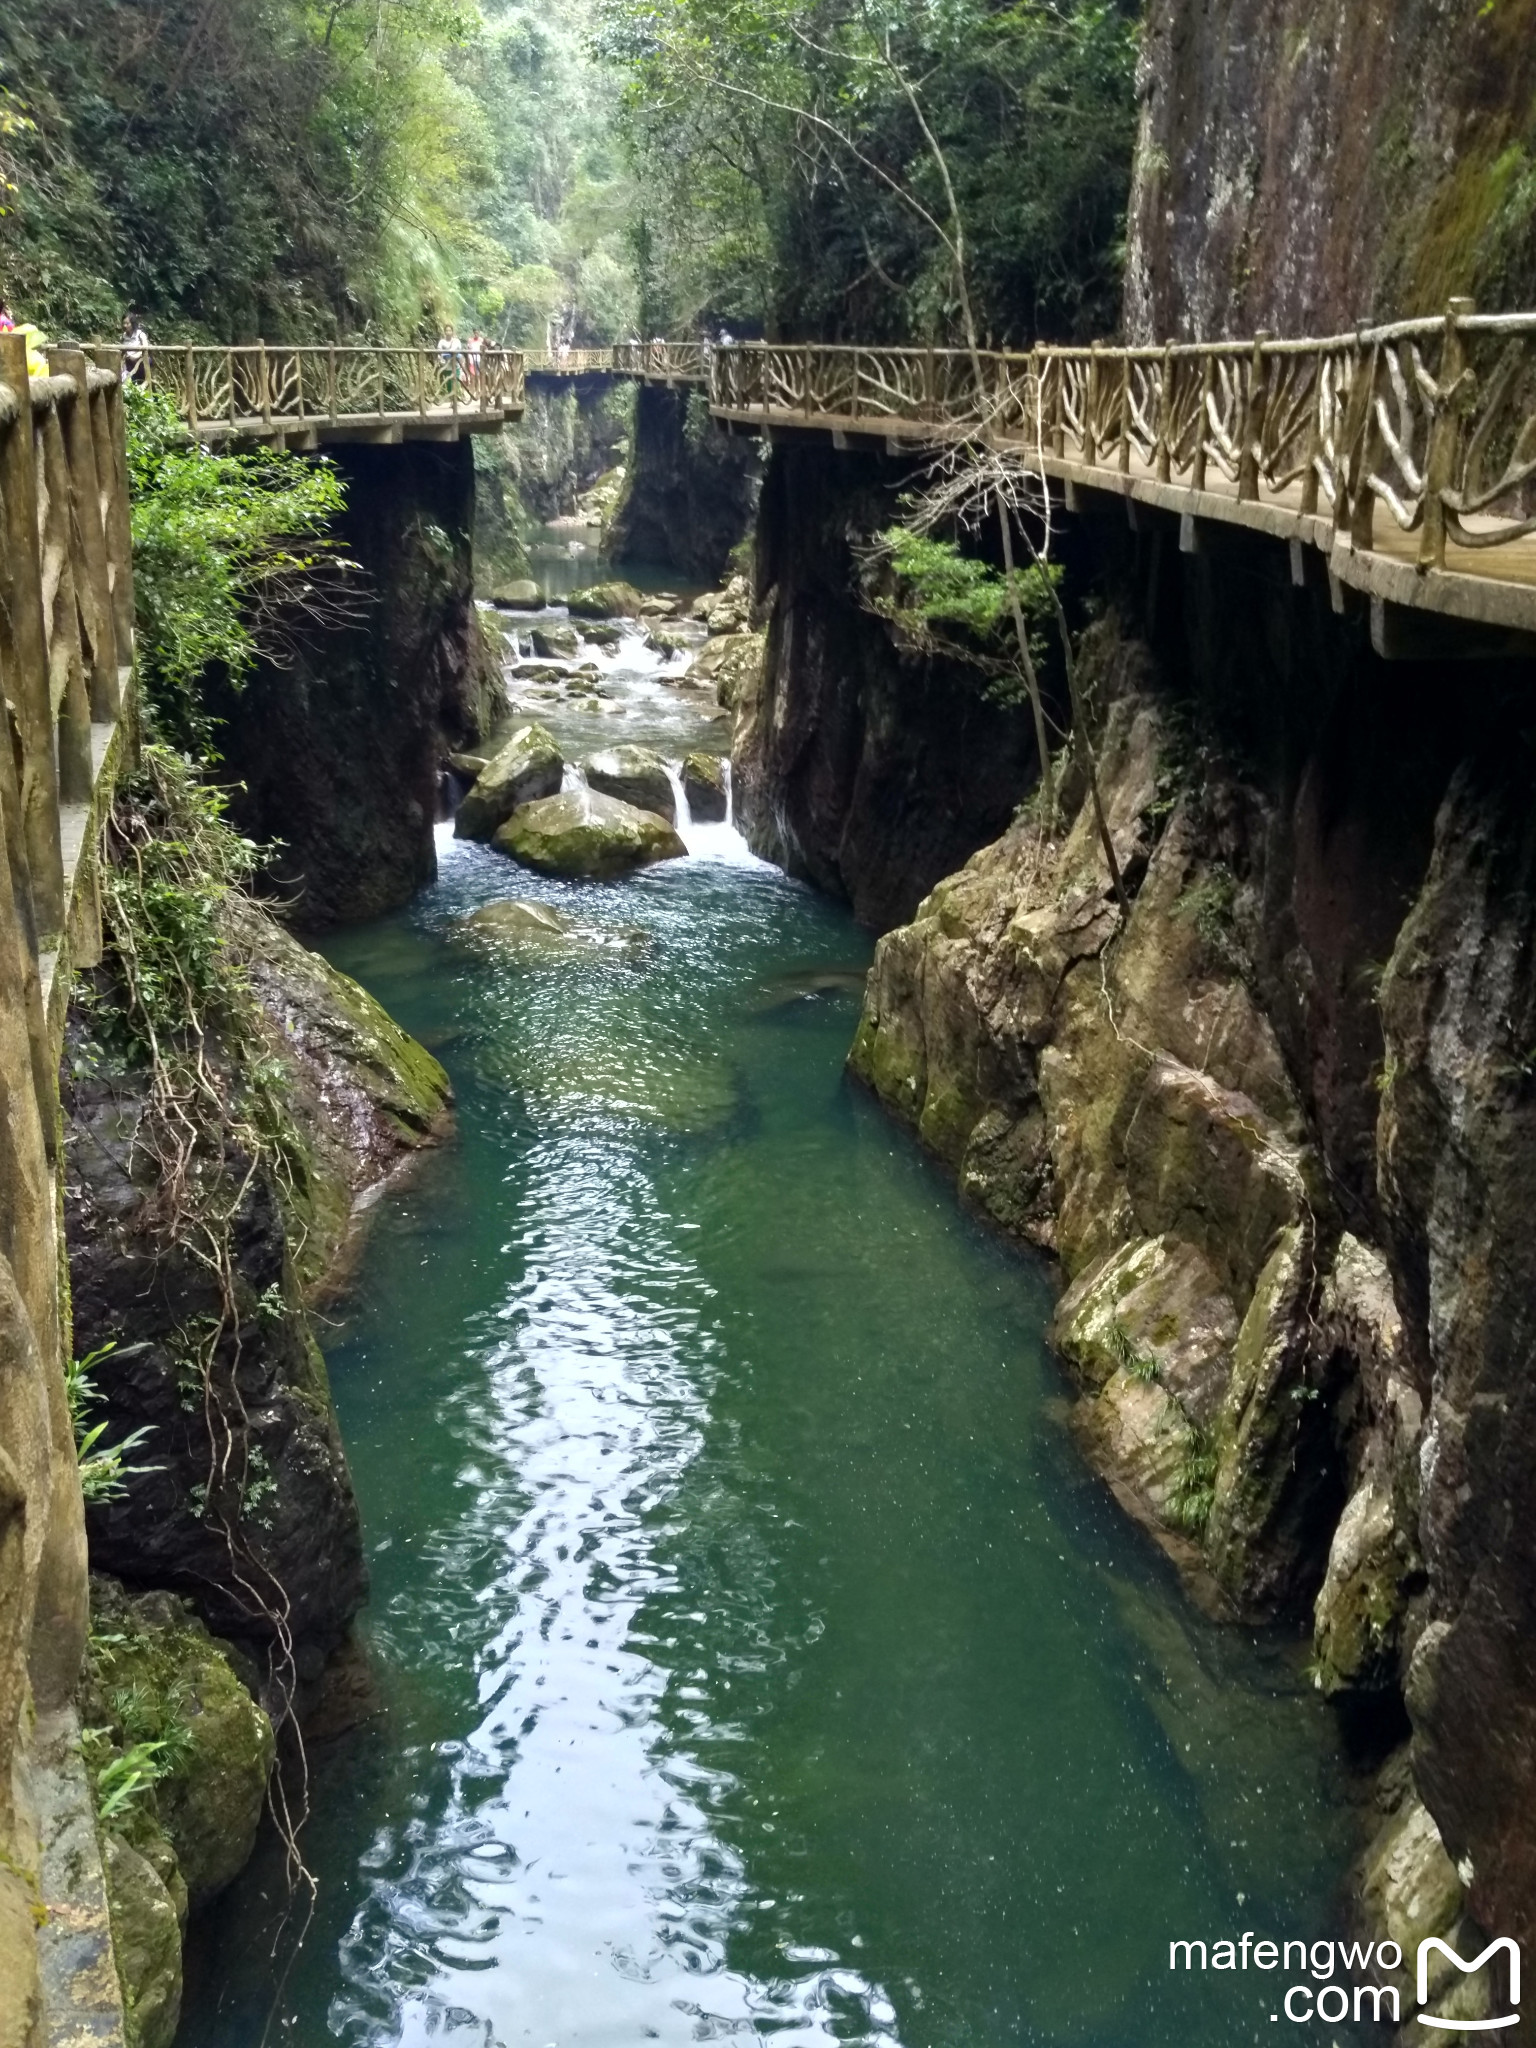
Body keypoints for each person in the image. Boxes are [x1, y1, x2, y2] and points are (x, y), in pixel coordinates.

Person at [121, 312, 149, 384]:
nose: (125, 326)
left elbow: (145, 349)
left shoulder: (140, 334)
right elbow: (123, 352)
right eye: (123, 323)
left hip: (140, 362)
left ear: (132, 323)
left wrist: (135, 357)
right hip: (129, 363)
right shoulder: (123, 336)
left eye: (127, 323)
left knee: (140, 381)